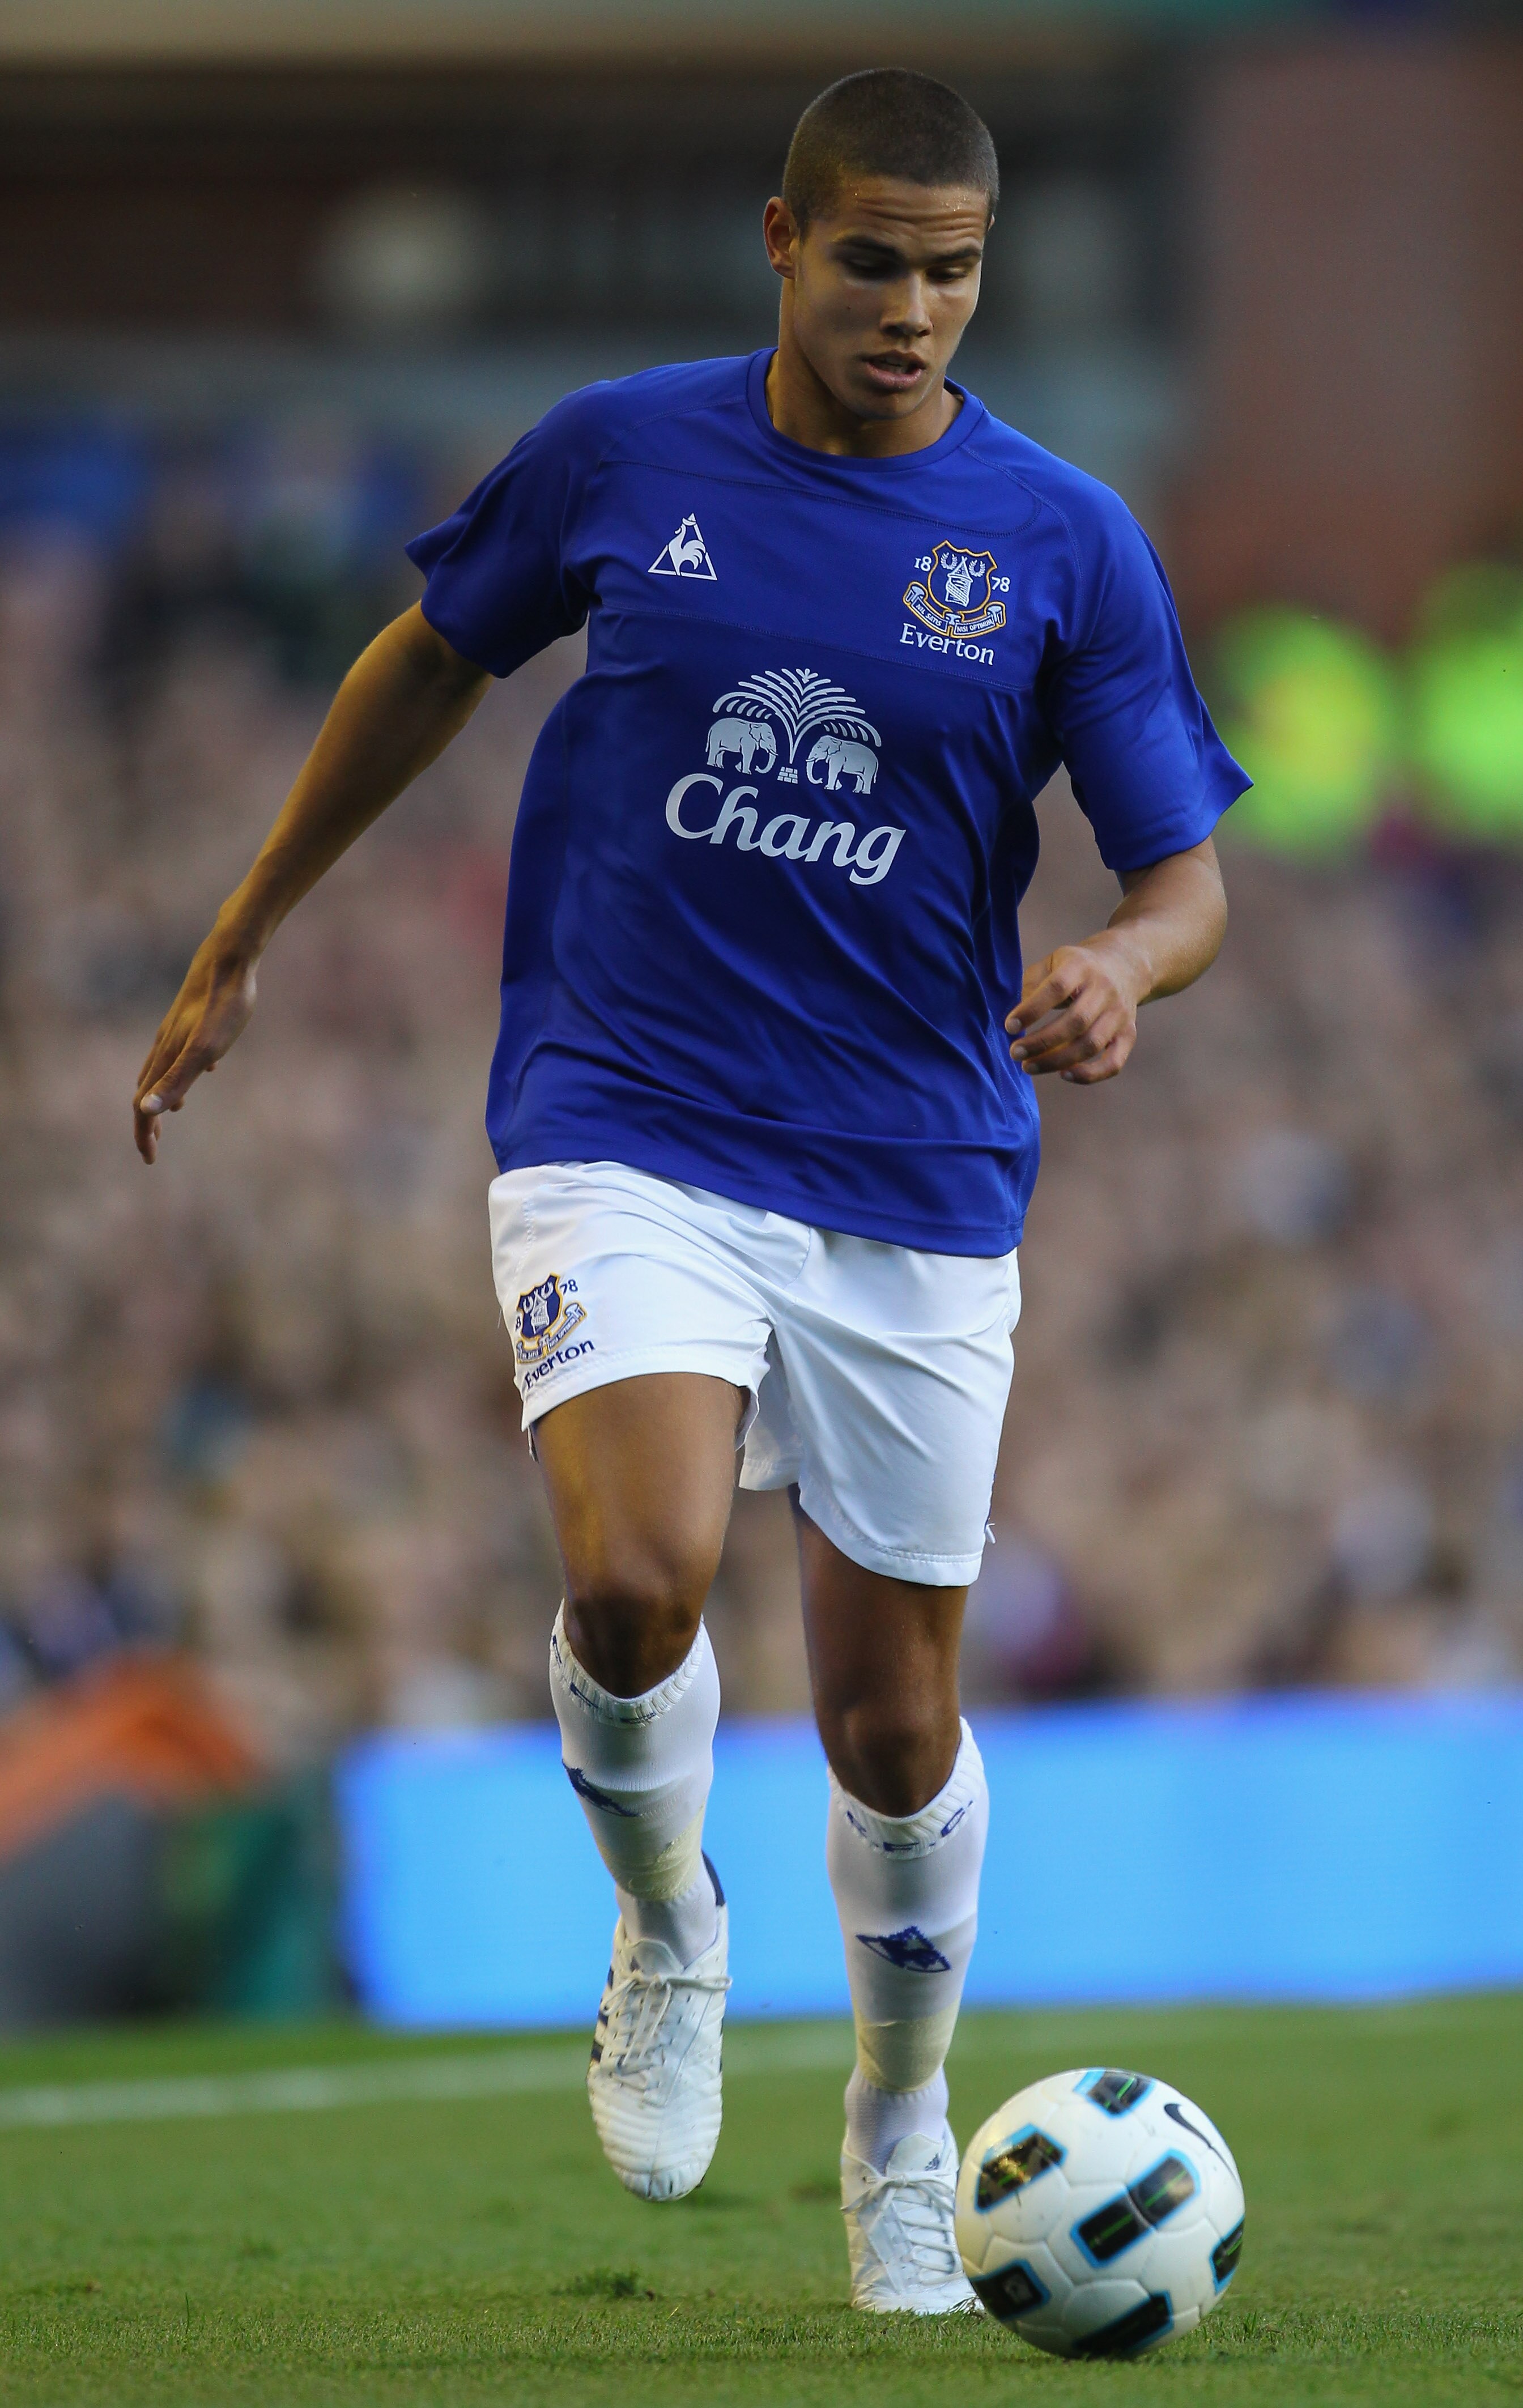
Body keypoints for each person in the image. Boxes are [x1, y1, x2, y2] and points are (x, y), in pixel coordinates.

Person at [133, 68, 1243, 2315]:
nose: (916, 308)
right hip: (621, 1113)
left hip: (915, 1168)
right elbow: (426, 658)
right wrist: (246, 925)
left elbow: (1184, 872)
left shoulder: (1061, 540)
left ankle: (902, 2120)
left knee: (889, 1726)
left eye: (954, 270)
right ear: (780, 239)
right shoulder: (621, 456)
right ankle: (669, 1925)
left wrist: (1122, 967)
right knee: (637, 1587)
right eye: (873, 261)